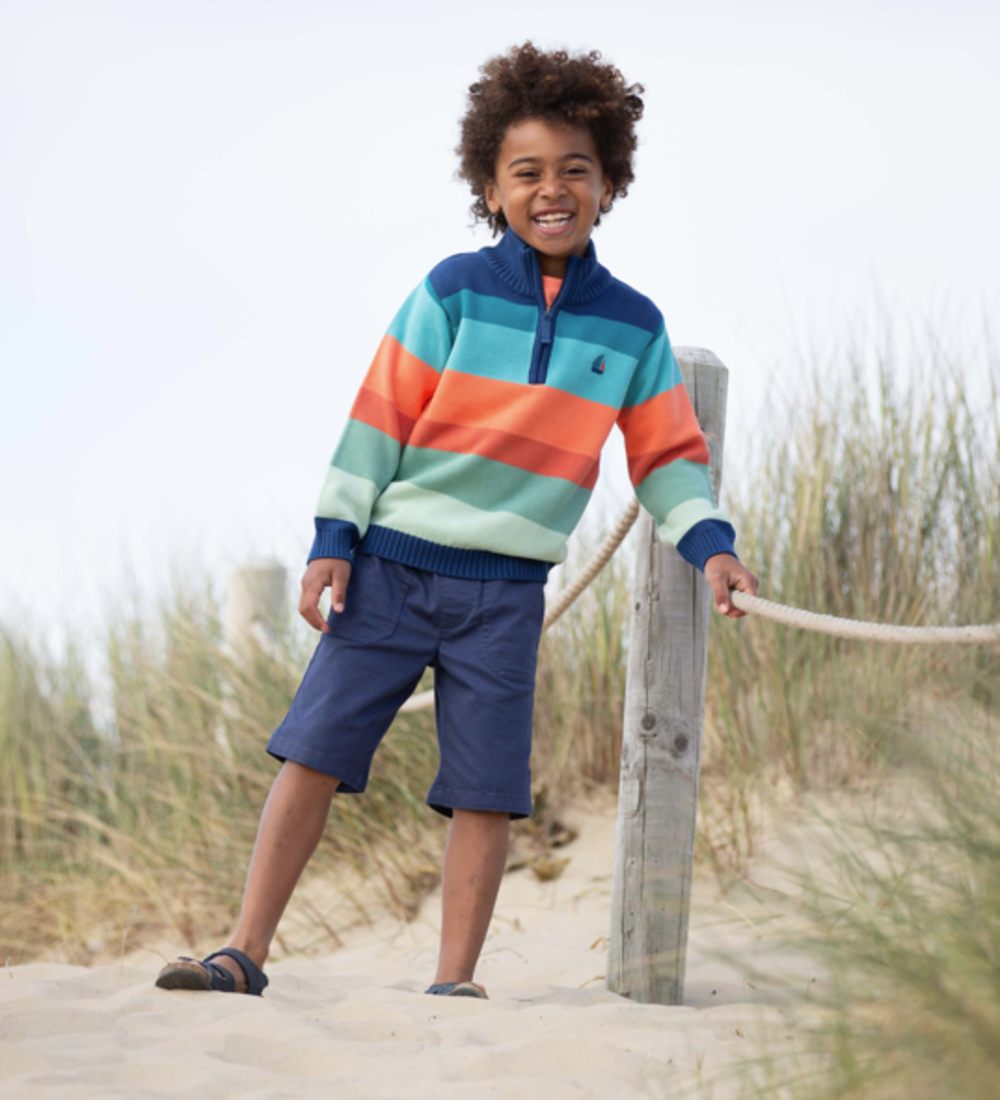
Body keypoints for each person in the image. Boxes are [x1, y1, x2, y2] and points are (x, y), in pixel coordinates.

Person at [155, 41, 758, 1001]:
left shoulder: (634, 326)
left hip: (506, 597)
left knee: (485, 789)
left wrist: (712, 547)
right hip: (391, 573)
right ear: (490, 188)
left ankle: (454, 983)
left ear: (609, 182)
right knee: (313, 753)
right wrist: (333, 541)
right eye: (527, 172)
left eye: (576, 169)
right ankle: (244, 951)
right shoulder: (453, 290)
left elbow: (668, 460)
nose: (552, 189)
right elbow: (376, 423)